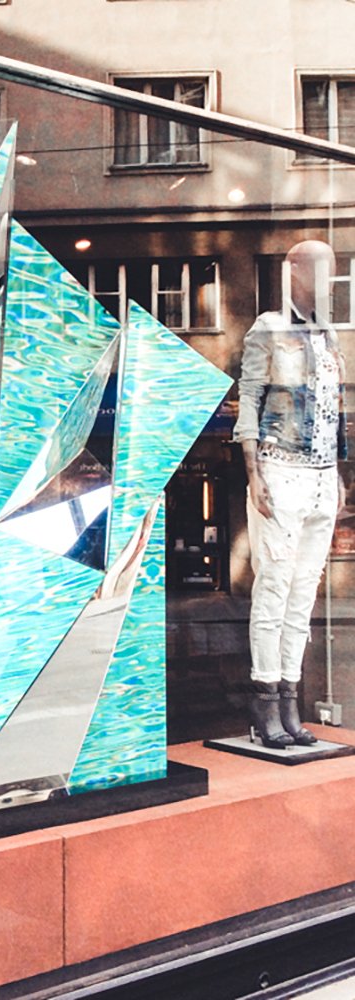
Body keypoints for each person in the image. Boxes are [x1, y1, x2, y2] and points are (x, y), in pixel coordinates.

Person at [233, 240, 345, 749]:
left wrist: (337, 473)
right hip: (280, 469)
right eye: (319, 269)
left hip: (320, 476)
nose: (327, 280)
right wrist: (254, 471)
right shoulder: (269, 327)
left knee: (303, 595)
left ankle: (291, 700)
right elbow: (250, 397)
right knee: (274, 587)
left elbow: (331, 411)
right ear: (293, 271)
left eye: (332, 271)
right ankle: (265, 701)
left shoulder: (327, 334)